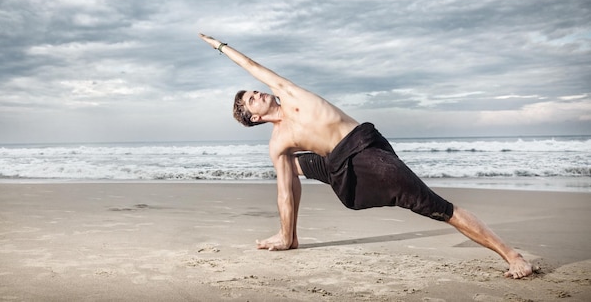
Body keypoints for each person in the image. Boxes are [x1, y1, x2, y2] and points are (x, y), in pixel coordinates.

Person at [198, 33, 534, 279]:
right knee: (288, 169)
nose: (257, 92)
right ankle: (289, 237)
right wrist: (287, 234)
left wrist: (220, 46)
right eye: (251, 99)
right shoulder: (278, 143)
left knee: (436, 207)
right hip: (339, 165)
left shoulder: (289, 92)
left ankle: (512, 255)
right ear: (254, 118)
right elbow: (284, 192)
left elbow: (252, 65)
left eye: (254, 90)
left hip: (366, 151)